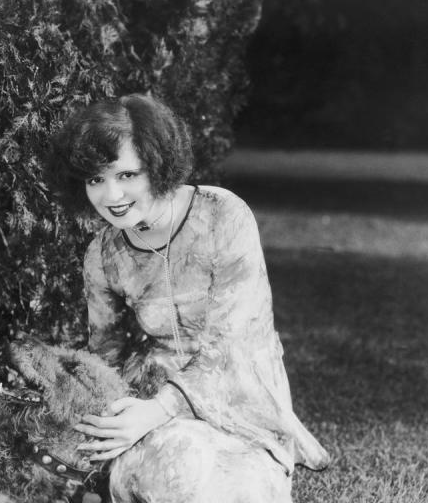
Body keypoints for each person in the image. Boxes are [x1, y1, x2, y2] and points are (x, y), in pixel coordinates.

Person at [44, 93, 330, 474]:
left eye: (127, 175)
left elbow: (230, 343)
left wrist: (156, 413)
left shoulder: (223, 215)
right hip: (150, 385)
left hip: (236, 383)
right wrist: (107, 412)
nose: (111, 196)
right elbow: (106, 353)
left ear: (158, 164)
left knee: (191, 470)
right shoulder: (102, 253)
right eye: (96, 179)